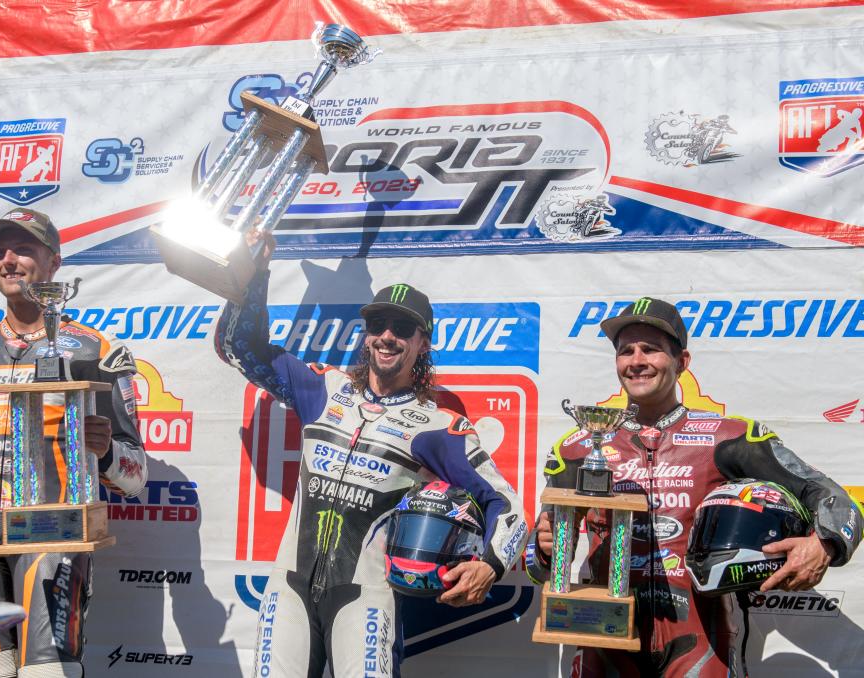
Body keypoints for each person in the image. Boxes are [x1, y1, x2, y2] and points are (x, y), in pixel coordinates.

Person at [215, 234, 528, 677]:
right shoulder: (323, 389)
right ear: (365, 336)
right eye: (378, 323)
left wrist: (491, 566)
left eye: (402, 329)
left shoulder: (437, 425)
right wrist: (254, 276)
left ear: (423, 342)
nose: (387, 336)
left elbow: (508, 505)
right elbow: (241, 350)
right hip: (289, 590)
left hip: (364, 599)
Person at [529, 297, 861, 677]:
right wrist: (543, 550)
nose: (636, 360)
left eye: (650, 349)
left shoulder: (732, 437)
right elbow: (538, 562)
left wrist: (824, 544)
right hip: (605, 634)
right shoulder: (578, 447)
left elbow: (834, 498)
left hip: (702, 634)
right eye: (626, 351)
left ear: (682, 362)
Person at [0, 209, 148, 678]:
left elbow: (137, 475)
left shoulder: (95, 351)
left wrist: (106, 453)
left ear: (55, 264)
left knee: (47, 673)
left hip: (52, 537)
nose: (9, 261)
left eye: (24, 250)